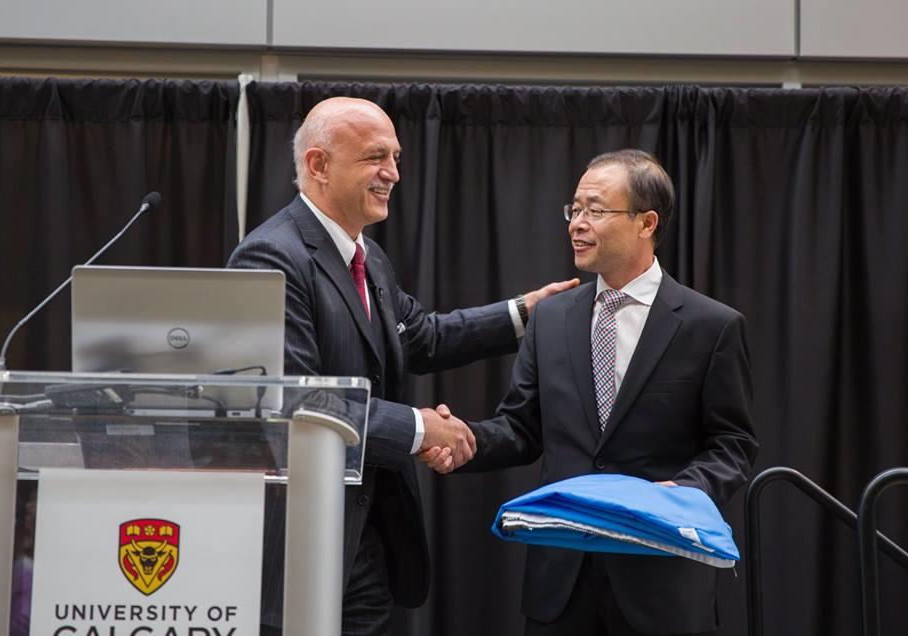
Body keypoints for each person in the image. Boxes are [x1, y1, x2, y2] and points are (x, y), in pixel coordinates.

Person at [227, 96, 578, 635]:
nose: (393, 173)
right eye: (376, 157)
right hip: (307, 548)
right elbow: (295, 403)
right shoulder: (272, 257)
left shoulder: (366, 256)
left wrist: (525, 313)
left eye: (396, 157)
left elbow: (421, 337)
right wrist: (420, 428)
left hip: (367, 544)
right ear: (319, 165)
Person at [421, 149, 758, 635]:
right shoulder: (552, 318)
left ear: (646, 223)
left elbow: (733, 444)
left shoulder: (711, 326)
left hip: (659, 581)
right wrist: (463, 441)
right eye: (574, 210)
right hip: (561, 582)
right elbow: (521, 428)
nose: (577, 223)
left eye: (595, 210)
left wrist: (684, 492)